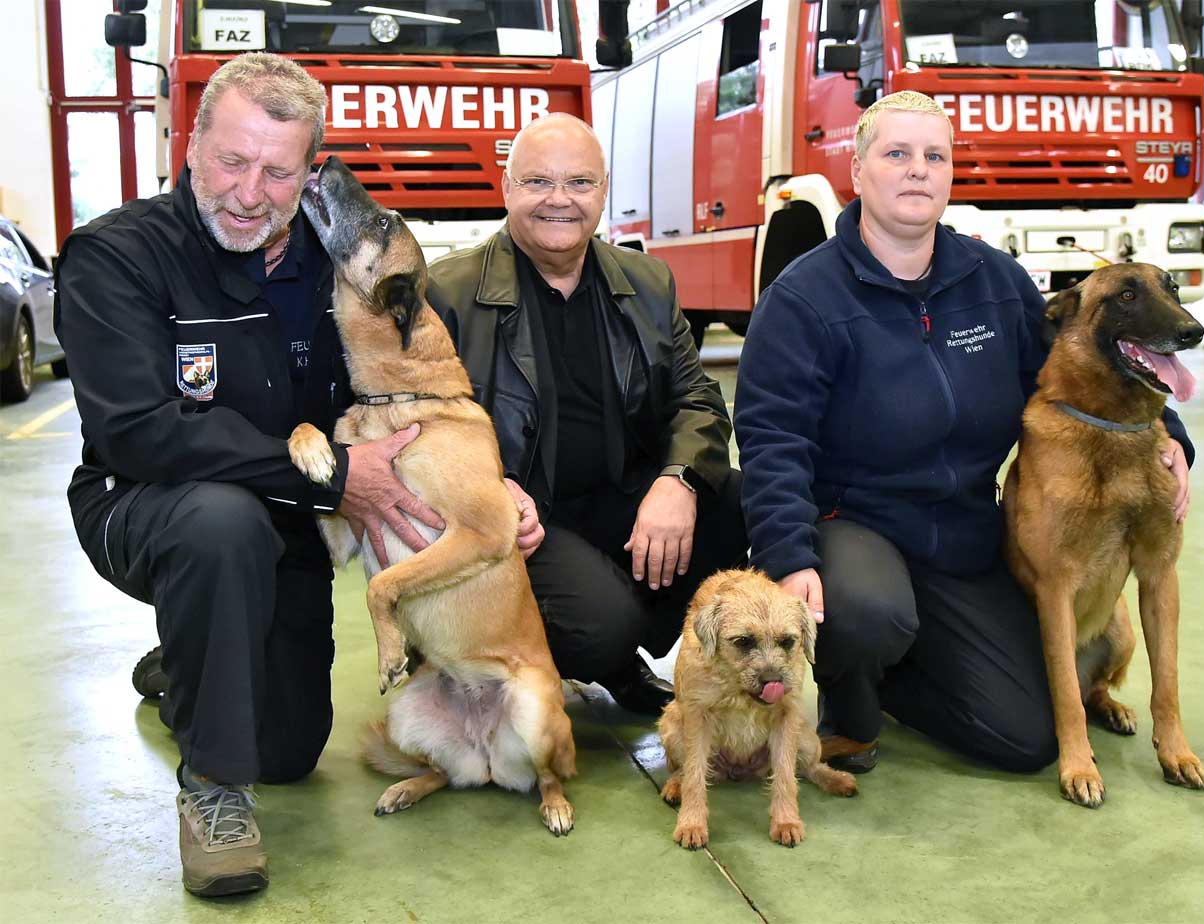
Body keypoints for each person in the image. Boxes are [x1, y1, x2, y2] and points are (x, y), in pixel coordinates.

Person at [54, 53, 448, 897]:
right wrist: (332, 476)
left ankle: (190, 660)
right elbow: (138, 432)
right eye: (232, 162)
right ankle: (212, 795)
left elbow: (417, 366)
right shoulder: (115, 256)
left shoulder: (335, 263)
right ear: (191, 146)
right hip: (146, 505)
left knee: (291, 751)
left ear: (309, 174)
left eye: (277, 172)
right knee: (218, 522)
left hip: (288, 517)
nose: (248, 193)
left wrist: (489, 476)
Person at [733, 91, 1194, 775]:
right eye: (897, 154)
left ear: (950, 174)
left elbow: (1081, 368)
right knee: (866, 612)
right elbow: (772, 442)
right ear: (858, 172)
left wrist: (1172, 435)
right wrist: (790, 555)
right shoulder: (804, 298)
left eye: (934, 156)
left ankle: (903, 679)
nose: (917, 170)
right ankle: (854, 708)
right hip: (852, 529)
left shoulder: (996, 282)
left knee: (1027, 740)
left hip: (964, 535)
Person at [426, 114, 748, 713]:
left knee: (735, 501)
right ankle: (584, 651)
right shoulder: (448, 293)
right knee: (600, 626)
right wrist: (488, 489)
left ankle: (628, 641)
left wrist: (677, 480)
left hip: (622, 494)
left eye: (579, 182)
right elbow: (419, 428)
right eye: (537, 182)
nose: (559, 200)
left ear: (603, 191)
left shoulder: (647, 281)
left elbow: (697, 398)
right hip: (525, 519)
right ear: (506, 188)